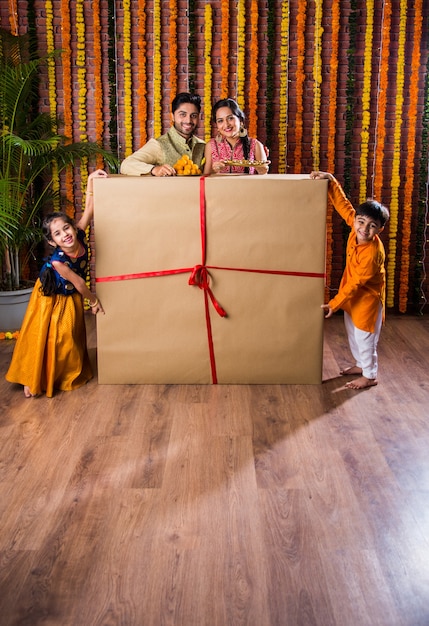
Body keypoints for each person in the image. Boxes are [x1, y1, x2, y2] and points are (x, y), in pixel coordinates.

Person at [5, 169, 107, 398]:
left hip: (70, 296)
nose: (66, 235)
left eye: (66, 228)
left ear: (72, 226)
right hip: (52, 296)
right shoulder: (58, 261)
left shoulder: (79, 234)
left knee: (68, 338)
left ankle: (60, 373)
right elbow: (80, 283)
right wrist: (94, 302)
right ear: (53, 242)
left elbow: (89, 208)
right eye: (58, 234)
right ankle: (34, 376)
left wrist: (91, 181)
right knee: (49, 336)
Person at [310, 170, 390, 390]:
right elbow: (343, 205)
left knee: (365, 336)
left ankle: (370, 375)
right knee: (352, 332)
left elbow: (356, 283)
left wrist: (334, 304)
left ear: (379, 229)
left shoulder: (372, 254)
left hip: (367, 298)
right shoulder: (356, 228)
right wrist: (331, 180)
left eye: (372, 226)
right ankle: (360, 365)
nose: (364, 229)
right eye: (361, 222)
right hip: (352, 294)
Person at [120, 92, 205, 177]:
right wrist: (154, 169)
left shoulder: (202, 145)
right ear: (172, 117)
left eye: (193, 115)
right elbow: (126, 164)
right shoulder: (159, 144)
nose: (188, 120)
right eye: (182, 114)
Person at [203, 98, 269, 175]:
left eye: (230, 118)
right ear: (217, 126)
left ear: (240, 121)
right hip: (218, 187)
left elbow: (263, 180)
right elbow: (205, 178)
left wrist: (262, 171)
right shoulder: (211, 145)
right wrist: (214, 170)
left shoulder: (255, 145)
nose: (226, 125)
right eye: (220, 121)